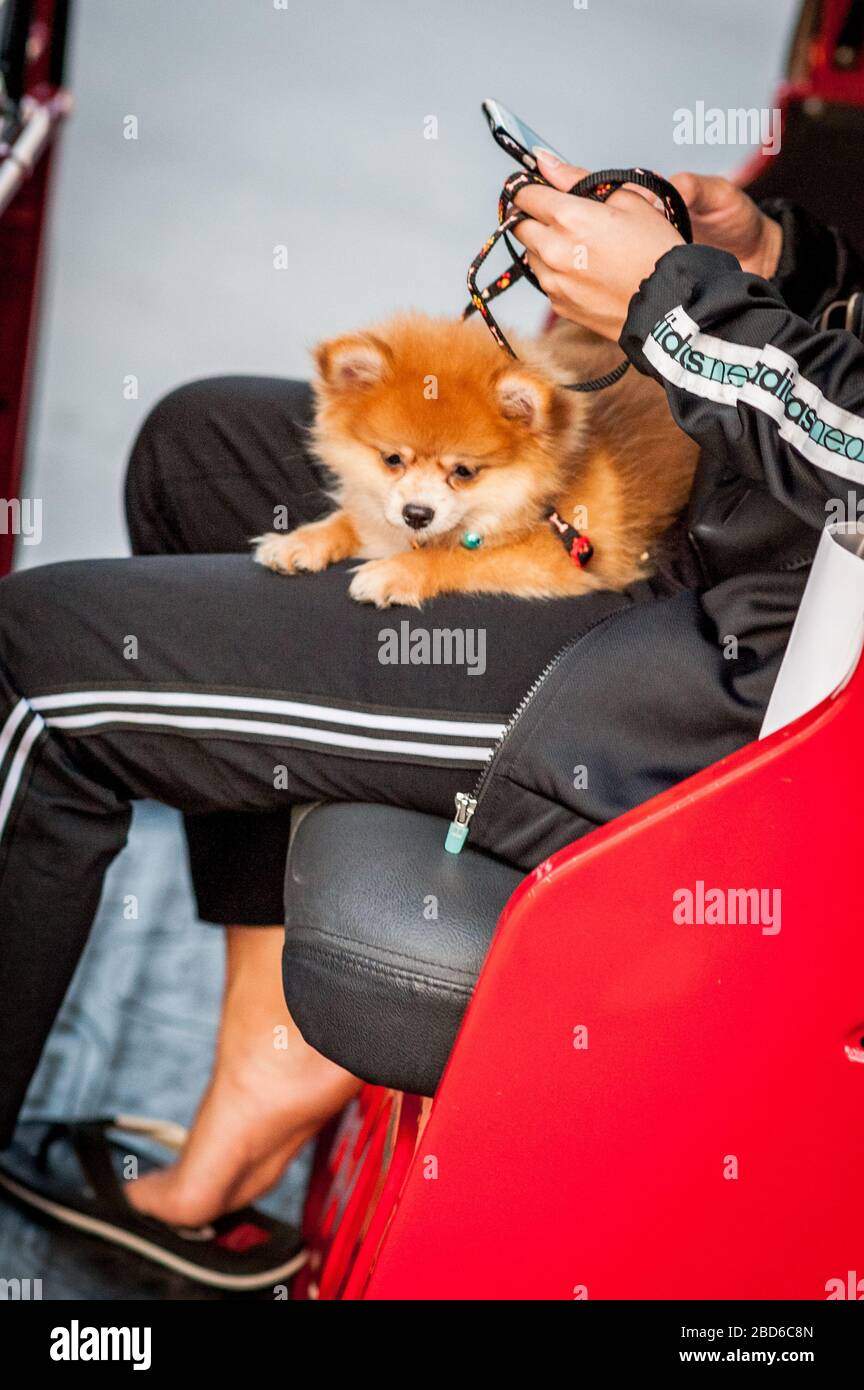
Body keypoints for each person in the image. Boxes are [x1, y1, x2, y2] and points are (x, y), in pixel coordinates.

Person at [0, 162, 862, 1258]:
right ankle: (272, 1048)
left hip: (729, 674)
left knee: (33, 662)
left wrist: (677, 309)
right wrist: (775, 259)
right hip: (713, 499)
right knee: (198, 450)